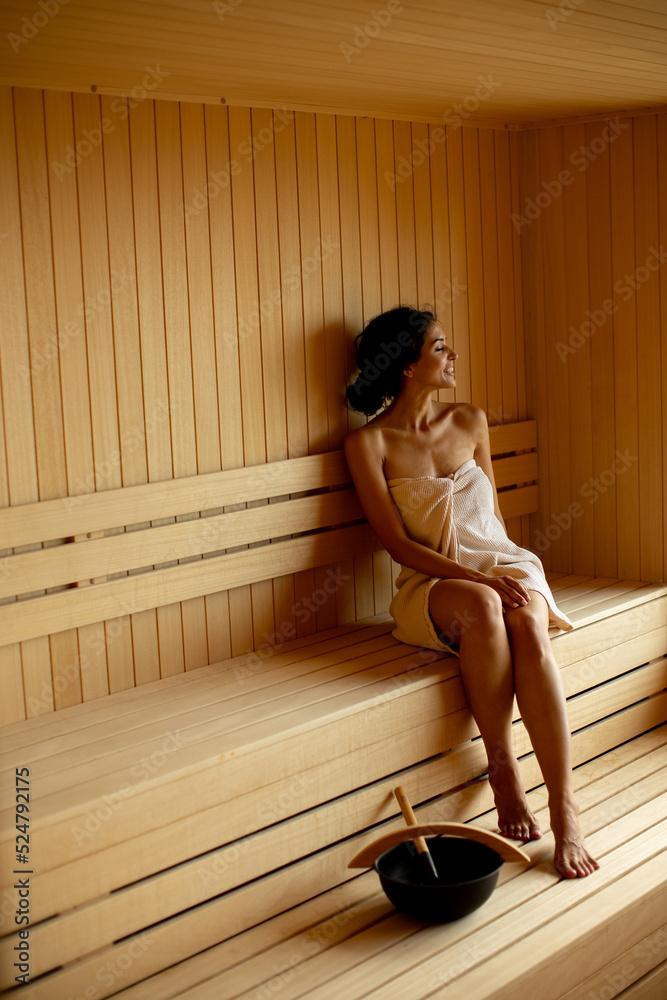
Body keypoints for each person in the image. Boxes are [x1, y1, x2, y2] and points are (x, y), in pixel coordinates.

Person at [344, 306, 599, 879]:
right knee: (487, 605)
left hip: (503, 563)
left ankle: (565, 809)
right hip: (431, 583)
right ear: (408, 366)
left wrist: (500, 571)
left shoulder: (470, 420)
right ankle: (503, 767)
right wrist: (480, 580)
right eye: (439, 347)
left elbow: (494, 521)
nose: (451, 355)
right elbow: (396, 545)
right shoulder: (369, 444)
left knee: (527, 623)